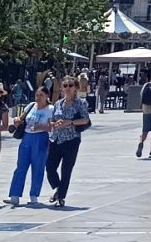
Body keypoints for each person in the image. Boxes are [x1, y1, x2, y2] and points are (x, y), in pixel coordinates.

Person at [45, 76, 92, 208]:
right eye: (65, 86)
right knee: (49, 167)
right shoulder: (58, 104)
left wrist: (69, 122)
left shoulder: (80, 103)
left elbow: (85, 120)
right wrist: (56, 123)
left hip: (71, 139)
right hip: (57, 138)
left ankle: (61, 197)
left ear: (76, 87)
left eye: (70, 85)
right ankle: (57, 187)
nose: (67, 88)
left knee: (66, 169)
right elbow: (52, 120)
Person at [6, 89, 53, 207]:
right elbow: (21, 119)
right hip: (27, 138)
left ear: (47, 96)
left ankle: (34, 195)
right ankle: (15, 195)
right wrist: (17, 120)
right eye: (37, 95)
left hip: (41, 138)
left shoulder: (51, 109)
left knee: (38, 167)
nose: (38, 97)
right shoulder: (31, 106)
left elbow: (52, 126)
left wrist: (39, 127)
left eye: (41, 95)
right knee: (21, 166)